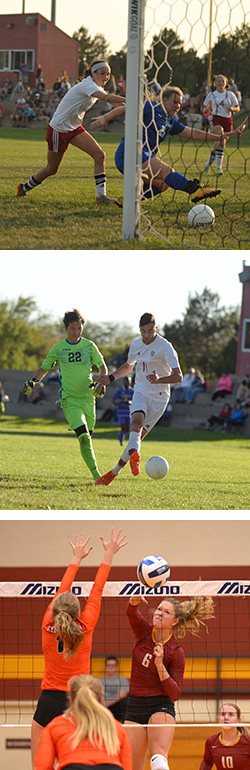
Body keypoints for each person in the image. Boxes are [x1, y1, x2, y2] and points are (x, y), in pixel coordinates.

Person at [31, 528, 128, 768]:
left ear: (55, 610)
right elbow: (97, 589)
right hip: (80, 700)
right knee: (79, 757)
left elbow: (62, 590)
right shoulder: (86, 626)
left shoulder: (47, 624)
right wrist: (109, 555)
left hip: (50, 700)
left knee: (39, 764)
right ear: (77, 612)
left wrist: (76, 558)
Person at [91, 85, 237, 207]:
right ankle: (195, 190)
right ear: (164, 99)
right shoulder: (151, 107)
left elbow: (192, 133)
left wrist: (218, 137)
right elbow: (125, 108)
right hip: (130, 152)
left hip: (143, 156)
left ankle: (127, 201)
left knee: (163, 184)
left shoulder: (170, 121)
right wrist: (104, 118)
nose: (178, 106)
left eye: (180, 103)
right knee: (167, 170)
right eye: (175, 102)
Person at [124, 593, 215, 770]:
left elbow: (175, 693)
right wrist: (133, 601)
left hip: (161, 706)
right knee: (132, 766)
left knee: (158, 759)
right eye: (159, 609)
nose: (159, 613)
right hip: (134, 705)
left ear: (174, 621)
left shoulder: (175, 651)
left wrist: (160, 664)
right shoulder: (143, 631)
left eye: (166, 612)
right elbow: (130, 612)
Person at [17, 59, 126, 206]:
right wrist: (132, 100)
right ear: (93, 74)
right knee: (52, 169)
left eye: (108, 74)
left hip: (74, 128)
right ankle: (23, 187)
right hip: (59, 129)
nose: (106, 77)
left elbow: (115, 103)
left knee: (99, 155)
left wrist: (140, 106)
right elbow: (107, 98)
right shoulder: (88, 84)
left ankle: (101, 197)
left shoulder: (95, 86)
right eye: (102, 73)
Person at [95, 312, 183, 486]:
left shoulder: (165, 347)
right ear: (140, 330)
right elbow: (128, 367)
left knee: (136, 438)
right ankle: (134, 456)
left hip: (159, 398)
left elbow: (178, 376)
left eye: (150, 331)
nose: (146, 335)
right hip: (141, 391)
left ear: (156, 329)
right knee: (135, 425)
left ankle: (114, 472)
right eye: (143, 331)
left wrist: (159, 380)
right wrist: (110, 378)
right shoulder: (136, 344)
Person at [23, 308, 108, 481]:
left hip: (89, 400)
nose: (76, 332)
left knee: (87, 438)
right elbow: (44, 369)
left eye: (79, 328)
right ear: (66, 328)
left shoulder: (89, 346)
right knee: (84, 438)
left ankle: (95, 474)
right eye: (72, 328)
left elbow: (102, 366)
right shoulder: (58, 349)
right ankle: (97, 476)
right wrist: (32, 381)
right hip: (70, 401)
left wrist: (101, 381)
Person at [35, 673, 132, 770]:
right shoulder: (116, 727)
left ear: (71, 700)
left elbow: (43, 766)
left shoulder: (55, 726)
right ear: (101, 700)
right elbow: (127, 767)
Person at [203, 74, 240, 175]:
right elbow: (204, 108)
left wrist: (232, 109)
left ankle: (207, 164)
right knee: (221, 138)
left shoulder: (230, 94)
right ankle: (219, 168)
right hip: (216, 119)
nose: (220, 83)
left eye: (223, 81)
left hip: (228, 121)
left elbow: (237, 108)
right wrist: (206, 109)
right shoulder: (211, 95)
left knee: (219, 145)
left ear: (226, 84)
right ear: (215, 83)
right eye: (218, 81)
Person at [199, 702, 250, 770]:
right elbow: (207, 762)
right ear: (219, 718)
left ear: (238, 720)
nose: (226, 718)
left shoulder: (247, 741)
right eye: (223, 714)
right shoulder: (212, 741)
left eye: (231, 714)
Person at [101, 656, 130, 722]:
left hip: (115, 707)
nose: (111, 668)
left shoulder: (123, 680)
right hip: (101, 706)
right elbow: (97, 695)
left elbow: (122, 695)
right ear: (105, 667)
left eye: (113, 666)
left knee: (124, 701)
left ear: (117, 667)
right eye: (109, 665)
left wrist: (108, 703)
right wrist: (103, 704)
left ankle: (124, 724)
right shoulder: (98, 681)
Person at [113, 376, 134, 445]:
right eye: (126, 381)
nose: (127, 382)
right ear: (123, 381)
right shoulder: (119, 390)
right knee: (123, 427)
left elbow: (135, 400)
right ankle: (121, 442)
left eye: (128, 381)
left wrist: (130, 402)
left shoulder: (132, 391)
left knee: (128, 429)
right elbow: (114, 400)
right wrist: (119, 404)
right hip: (121, 412)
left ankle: (120, 434)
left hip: (128, 412)